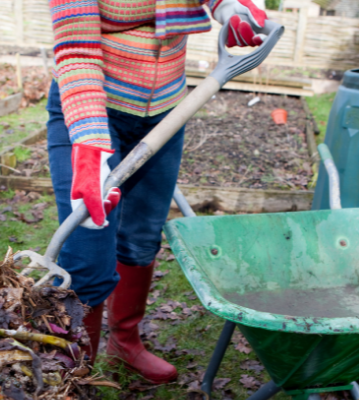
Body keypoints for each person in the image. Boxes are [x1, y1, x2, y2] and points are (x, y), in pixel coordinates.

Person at [46, 0, 268, 383]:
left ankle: (124, 343)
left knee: (141, 240)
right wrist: (89, 144)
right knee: (87, 257)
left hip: (166, 110)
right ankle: (72, 377)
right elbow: (77, 48)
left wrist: (232, 8)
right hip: (91, 110)